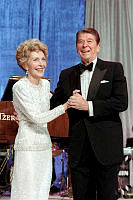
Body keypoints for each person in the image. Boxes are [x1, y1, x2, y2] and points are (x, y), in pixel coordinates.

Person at [50, 28, 128, 200]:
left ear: (98, 46)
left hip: (106, 148)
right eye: (80, 41)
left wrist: (88, 106)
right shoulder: (66, 74)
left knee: (108, 196)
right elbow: (53, 105)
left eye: (89, 41)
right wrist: (68, 101)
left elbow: (121, 102)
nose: (84, 45)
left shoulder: (114, 68)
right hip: (79, 150)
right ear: (76, 47)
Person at [11, 39, 68, 200]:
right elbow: (36, 117)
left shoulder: (45, 85)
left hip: (44, 145)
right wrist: (64, 107)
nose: (41, 63)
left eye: (43, 59)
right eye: (35, 59)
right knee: (26, 192)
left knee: (42, 192)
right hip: (27, 146)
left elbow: (45, 113)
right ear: (25, 64)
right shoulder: (20, 87)